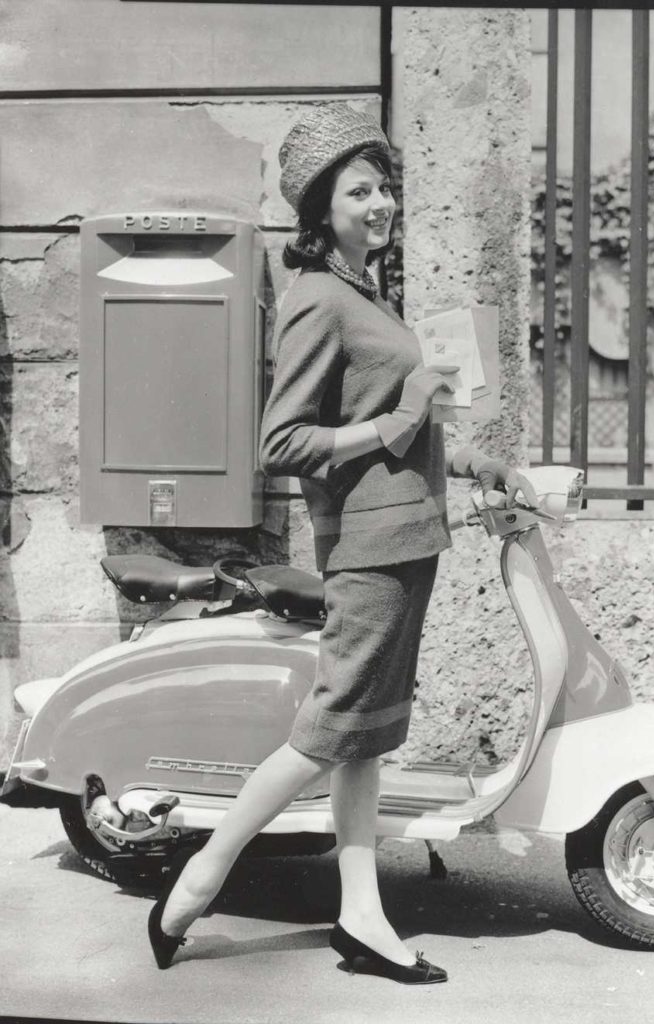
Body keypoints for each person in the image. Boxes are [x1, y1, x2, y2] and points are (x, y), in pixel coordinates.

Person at [147, 105, 537, 984]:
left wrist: (477, 461)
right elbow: (282, 444)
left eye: (385, 185)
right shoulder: (318, 301)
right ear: (322, 209)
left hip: (408, 539)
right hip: (366, 547)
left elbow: (402, 431)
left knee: (364, 738)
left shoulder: (370, 295)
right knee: (328, 732)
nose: (381, 202)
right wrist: (399, 420)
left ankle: (361, 919)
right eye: (360, 190)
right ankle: (199, 876)